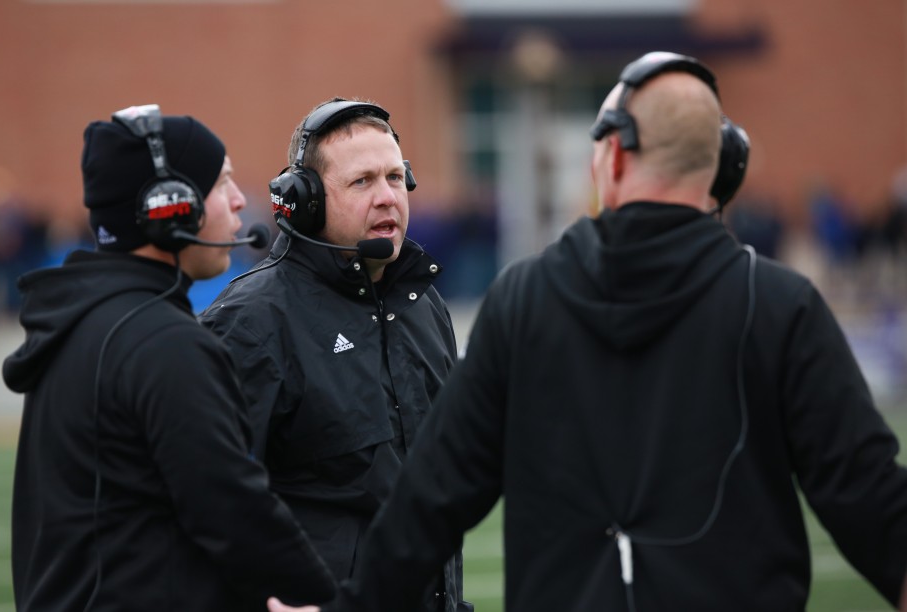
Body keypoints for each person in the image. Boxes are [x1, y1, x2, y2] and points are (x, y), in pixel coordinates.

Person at [268, 53, 907, 612]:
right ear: (724, 169)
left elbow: (432, 498)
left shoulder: (525, 299)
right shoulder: (782, 304)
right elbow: (873, 503)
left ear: (613, 154)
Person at [2, 105, 335, 611]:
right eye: (222, 183)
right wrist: (318, 596)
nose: (241, 200)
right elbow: (232, 508)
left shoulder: (84, 324)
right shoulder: (163, 342)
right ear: (171, 208)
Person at [199, 98, 470, 612]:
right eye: (362, 181)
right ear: (306, 201)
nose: (388, 197)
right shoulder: (251, 323)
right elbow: (203, 505)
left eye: (395, 177)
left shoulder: (423, 304)